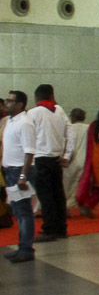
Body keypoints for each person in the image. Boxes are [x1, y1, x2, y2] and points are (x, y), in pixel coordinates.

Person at [27, 83, 70, 241]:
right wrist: (67, 154)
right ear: (52, 96)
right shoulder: (60, 111)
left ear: (36, 97)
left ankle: (49, 229)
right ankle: (61, 228)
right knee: (58, 194)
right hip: (57, 159)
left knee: (45, 196)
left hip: (40, 158)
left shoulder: (33, 113)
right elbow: (69, 132)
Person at [3, 90, 37, 263]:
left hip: (19, 172)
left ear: (20, 104)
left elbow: (29, 152)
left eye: (10, 100)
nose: (6, 103)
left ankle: (26, 249)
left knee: (24, 212)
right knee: (18, 211)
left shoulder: (24, 123)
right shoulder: (11, 121)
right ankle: (22, 246)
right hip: (11, 171)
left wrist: (23, 175)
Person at [63, 107, 87, 212]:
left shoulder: (68, 128)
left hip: (70, 161)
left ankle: (66, 206)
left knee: (66, 186)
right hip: (84, 160)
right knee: (80, 186)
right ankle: (81, 206)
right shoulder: (89, 128)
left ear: (72, 117)